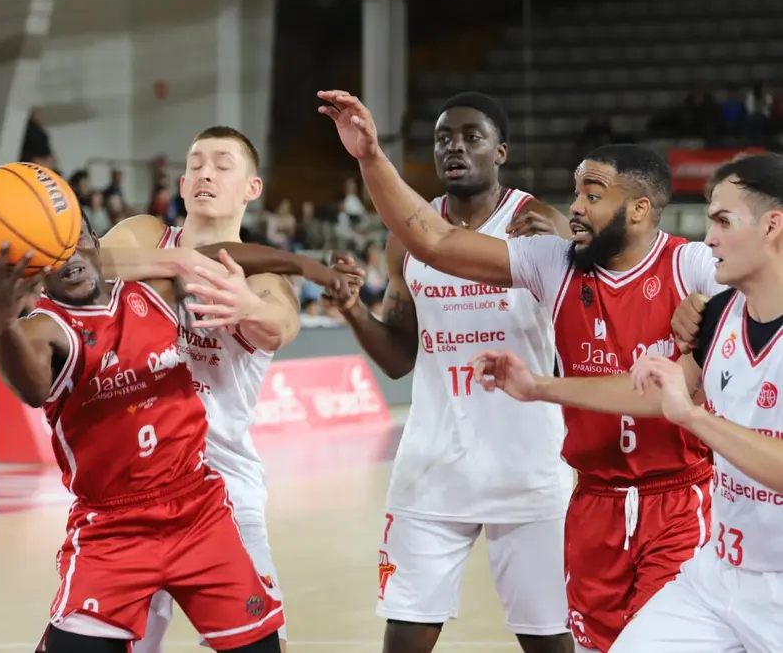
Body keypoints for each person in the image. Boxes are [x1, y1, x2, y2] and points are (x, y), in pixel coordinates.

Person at [317, 89, 726, 653]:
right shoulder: (540, 258)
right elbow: (431, 243)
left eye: (592, 194)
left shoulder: (657, 257)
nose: (577, 206)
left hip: (595, 482)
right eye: (577, 192)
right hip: (536, 485)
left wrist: (713, 311)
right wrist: (370, 159)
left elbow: (754, 283)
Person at [471, 152, 783, 653]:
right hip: (719, 576)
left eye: (723, 221)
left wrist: (693, 418)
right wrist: (540, 387)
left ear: (772, 226)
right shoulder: (717, 315)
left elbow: (680, 407)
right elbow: (652, 395)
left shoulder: (696, 288)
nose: (709, 238)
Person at [0, 212, 286, 653]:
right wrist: (3, 324)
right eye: (50, 254)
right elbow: (31, 388)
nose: (68, 256)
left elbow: (215, 258)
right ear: (36, 274)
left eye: (75, 239)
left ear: (97, 243)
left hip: (197, 509)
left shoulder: (153, 291)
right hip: (112, 527)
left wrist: (307, 269)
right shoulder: (44, 328)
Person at [333, 92, 575, 653]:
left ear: (502, 151)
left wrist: (566, 249)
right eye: (443, 138)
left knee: (549, 641)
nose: (455, 148)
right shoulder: (408, 237)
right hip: (433, 467)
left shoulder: (538, 221)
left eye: (471, 136)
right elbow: (398, 358)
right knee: (405, 637)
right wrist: (351, 309)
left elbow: (582, 335)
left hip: (530, 469)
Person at [99, 125, 351, 653]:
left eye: (221, 164)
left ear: (251, 189)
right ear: (184, 185)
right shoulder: (145, 233)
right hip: (134, 482)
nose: (204, 173)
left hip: (222, 487)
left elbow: (280, 323)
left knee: (263, 645)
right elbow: (87, 265)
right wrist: (183, 263)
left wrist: (250, 309)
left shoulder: (259, 277)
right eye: (195, 164)